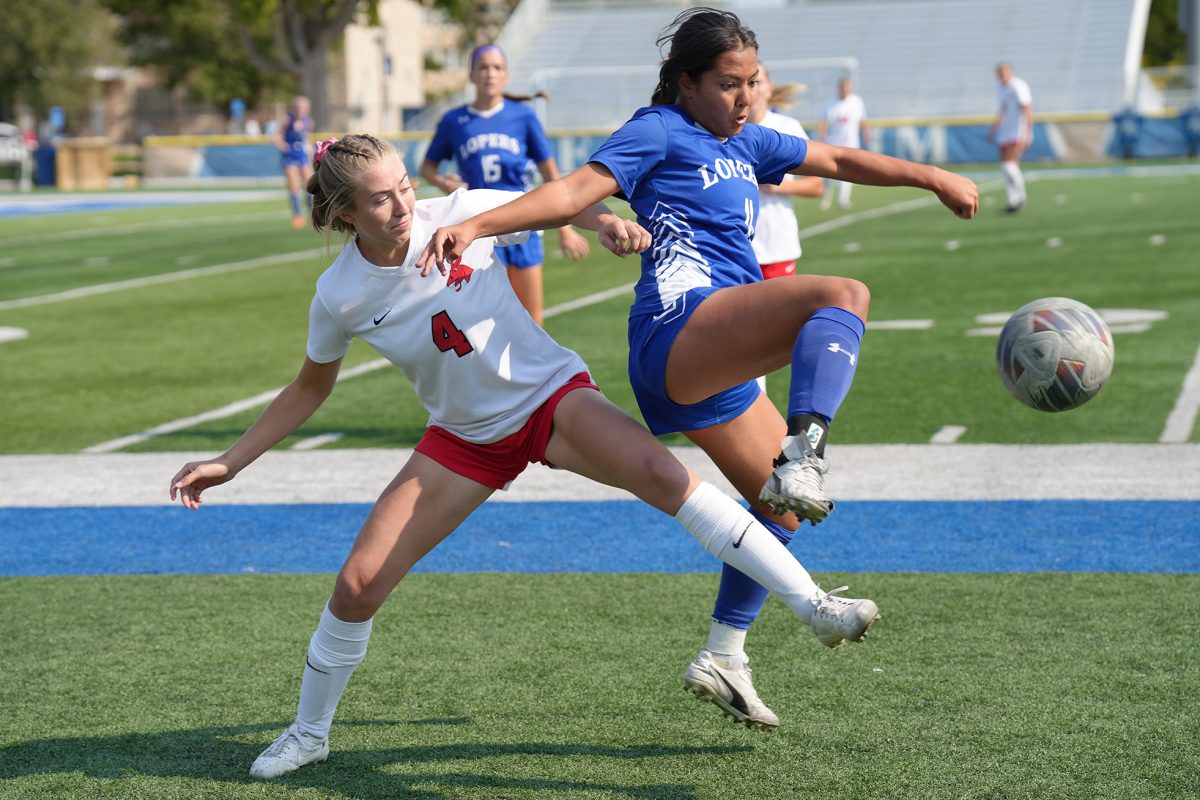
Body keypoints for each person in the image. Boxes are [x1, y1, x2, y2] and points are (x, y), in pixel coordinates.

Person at [169, 133, 888, 779]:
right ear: (343, 213)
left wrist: (603, 220)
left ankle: (815, 605)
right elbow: (307, 389)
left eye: (404, 188)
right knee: (357, 585)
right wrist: (230, 463)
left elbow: (558, 201)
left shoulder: (461, 213)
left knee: (669, 479)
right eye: (379, 199)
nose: (400, 205)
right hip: (462, 438)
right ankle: (308, 734)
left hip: (552, 399)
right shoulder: (339, 296)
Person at [419, 7, 978, 729]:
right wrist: (474, 224)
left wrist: (930, 175)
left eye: (750, 83)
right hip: (675, 330)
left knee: (777, 511)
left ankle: (725, 656)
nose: (743, 99)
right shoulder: (657, 130)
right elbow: (571, 193)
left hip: (717, 357)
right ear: (685, 82)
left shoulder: (743, 142)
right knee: (843, 297)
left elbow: (835, 161)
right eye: (726, 84)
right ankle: (804, 453)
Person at [421, 44, 590, 326]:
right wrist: (443, 183)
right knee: (481, 321)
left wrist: (565, 228)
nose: (490, 73)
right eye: (483, 67)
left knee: (531, 319)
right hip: (478, 228)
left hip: (524, 221)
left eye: (497, 67)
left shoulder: (523, 117)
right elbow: (428, 168)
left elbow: (551, 173)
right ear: (471, 75)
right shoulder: (454, 121)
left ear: (506, 76)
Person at [749, 63, 823, 281]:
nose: (752, 88)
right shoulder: (722, 129)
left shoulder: (786, 128)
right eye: (746, 82)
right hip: (735, 249)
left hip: (776, 247)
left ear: (770, 88)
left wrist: (779, 185)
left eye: (757, 82)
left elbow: (817, 185)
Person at [987, 62, 1032, 213]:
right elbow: (1003, 110)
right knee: (1007, 168)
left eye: (1004, 72)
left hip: (1017, 132)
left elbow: (1026, 109)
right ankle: (1012, 200)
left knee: (1009, 166)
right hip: (1005, 133)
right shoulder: (1001, 88)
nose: (1002, 75)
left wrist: (1028, 132)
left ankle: (1021, 197)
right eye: (999, 73)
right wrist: (994, 129)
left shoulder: (1018, 86)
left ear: (1011, 72)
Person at [817, 77, 868, 210]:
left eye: (847, 87)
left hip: (851, 144)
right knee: (829, 172)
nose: (845, 90)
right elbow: (824, 122)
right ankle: (826, 198)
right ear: (839, 88)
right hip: (833, 144)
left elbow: (862, 120)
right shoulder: (831, 104)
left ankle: (843, 199)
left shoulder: (856, 102)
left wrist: (866, 133)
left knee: (849, 173)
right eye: (843, 87)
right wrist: (822, 136)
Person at [273, 95, 315, 229]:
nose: (300, 110)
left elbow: (306, 137)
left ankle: (313, 213)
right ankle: (298, 215)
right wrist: (282, 145)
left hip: (302, 154)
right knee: (294, 185)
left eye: (303, 107)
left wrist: (309, 149)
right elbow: (276, 135)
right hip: (289, 155)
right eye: (298, 107)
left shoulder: (308, 122)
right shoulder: (287, 120)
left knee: (309, 185)